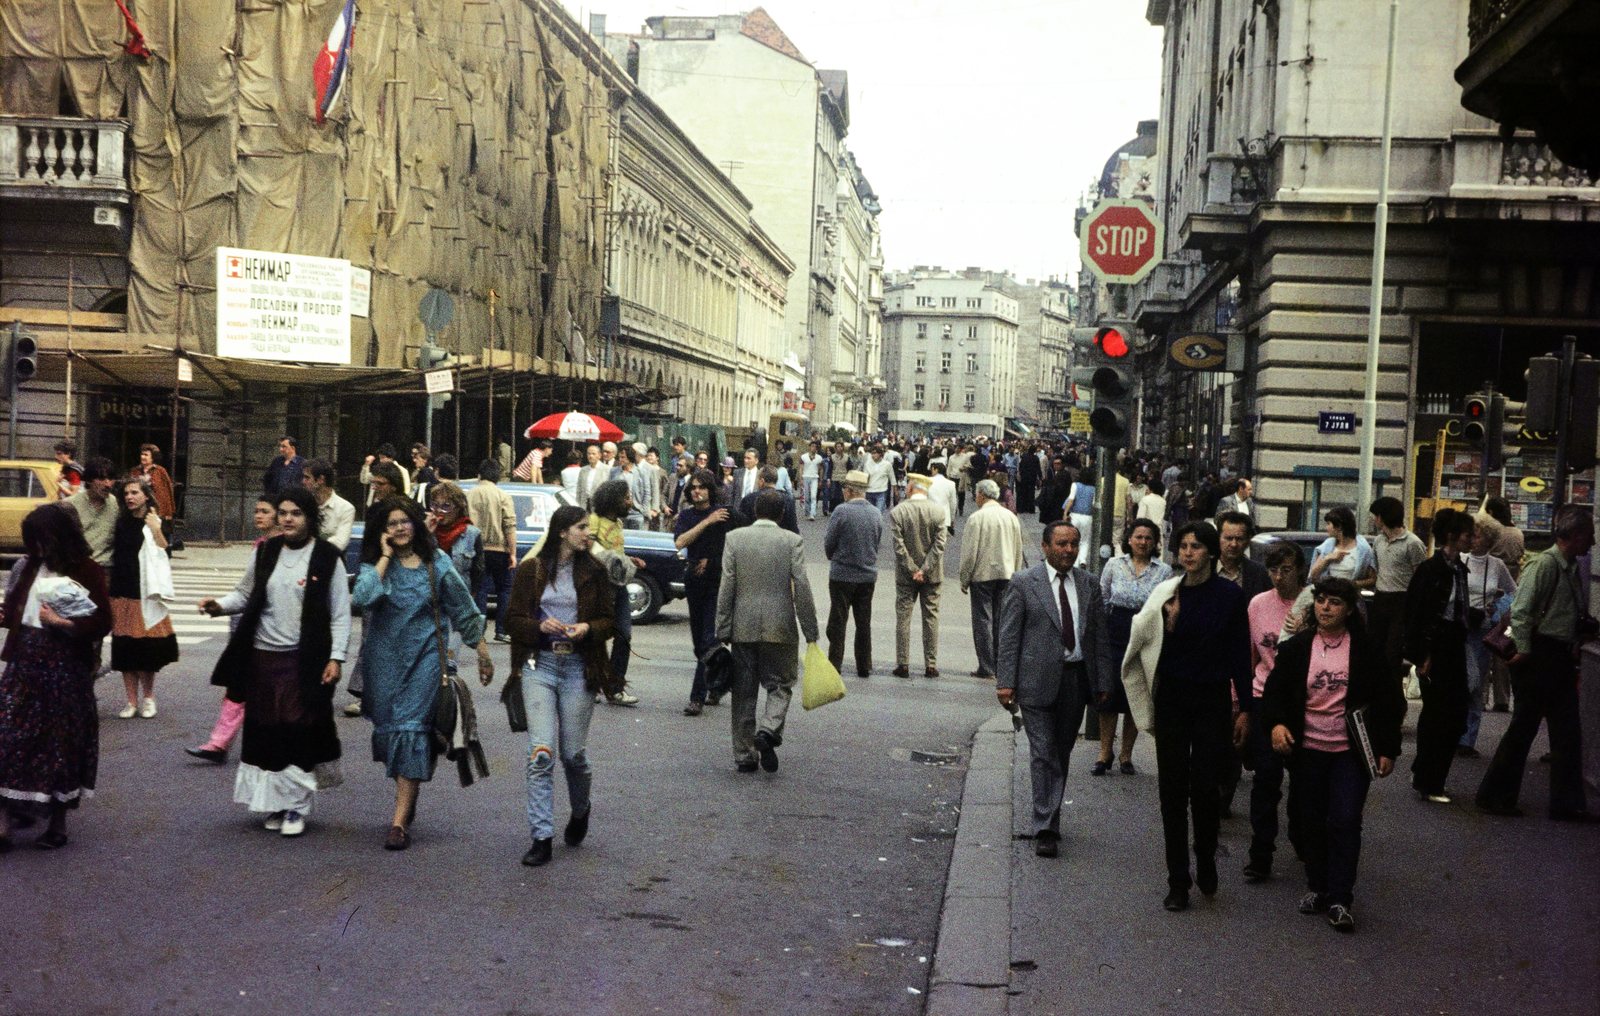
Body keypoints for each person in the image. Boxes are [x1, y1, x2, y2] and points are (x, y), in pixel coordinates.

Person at [199, 487, 350, 838]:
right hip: (262, 658)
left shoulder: (328, 557)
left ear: (310, 518)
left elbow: (341, 614)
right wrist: (218, 605)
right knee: (266, 730)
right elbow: (244, 593)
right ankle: (275, 803)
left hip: (304, 661)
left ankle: (297, 807)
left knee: (298, 729)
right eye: (283, 512)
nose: (287, 519)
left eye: (296, 513)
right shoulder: (265, 551)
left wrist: (336, 657)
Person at [1121, 521, 1253, 912]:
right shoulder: (1168, 593)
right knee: (1172, 792)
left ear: (1211, 552)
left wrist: (1244, 707)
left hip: (1212, 699)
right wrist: (1171, 624)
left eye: (1196, 546)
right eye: (1182, 546)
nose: (1188, 553)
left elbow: (1239, 655)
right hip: (1174, 698)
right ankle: (1177, 880)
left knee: (1205, 789)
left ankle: (1206, 857)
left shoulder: (1230, 595)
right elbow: (1147, 643)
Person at [1262, 576, 1404, 932]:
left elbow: (1390, 702)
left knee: (1344, 820)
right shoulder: (1296, 648)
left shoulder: (1367, 650)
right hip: (1308, 750)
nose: (1325, 607)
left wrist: (1388, 749)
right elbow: (1274, 693)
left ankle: (1340, 898)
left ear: (1351, 610)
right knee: (1311, 820)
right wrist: (1277, 725)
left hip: (1349, 753)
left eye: (1334, 602)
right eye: (1320, 600)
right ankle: (1317, 887)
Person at [351, 496, 491, 851]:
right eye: (391, 524)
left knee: (411, 729)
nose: (399, 529)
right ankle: (407, 798)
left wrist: (483, 651)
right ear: (381, 531)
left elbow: (462, 605)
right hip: (384, 665)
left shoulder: (436, 561)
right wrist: (384, 557)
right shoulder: (375, 564)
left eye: (404, 521)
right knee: (393, 733)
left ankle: (398, 823)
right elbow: (363, 598)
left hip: (427, 661)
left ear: (416, 523)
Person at [503, 505, 617, 867]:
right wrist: (539, 626)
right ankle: (541, 837)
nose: (589, 533)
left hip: (579, 667)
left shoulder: (596, 571)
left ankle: (580, 810)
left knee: (573, 755)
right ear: (563, 532)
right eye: (582, 527)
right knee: (541, 752)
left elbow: (610, 622)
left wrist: (588, 629)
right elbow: (512, 620)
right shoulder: (531, 570)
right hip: (540, 664)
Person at [996, 520, 1114, 858]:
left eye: (1074, 544)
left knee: (1060, 754)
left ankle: (1051, 816)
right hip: (1034, 682)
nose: (1068, 550)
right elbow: (1008, 637)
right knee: (1044, 752)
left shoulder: (1089, 584)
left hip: (1075, 681)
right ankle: (1044, 827)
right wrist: (1005, 682)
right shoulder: (1023, 582)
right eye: (1061, 544)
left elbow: (1098, 638)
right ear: (1046, 546)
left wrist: (1103, 681)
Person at [0, 504, 112, 850]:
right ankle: (4, 824)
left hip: (65, 667)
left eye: (43, 540)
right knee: (8, 738)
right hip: (24, 663)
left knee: (60, 744)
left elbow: (103, 621)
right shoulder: (28, 566)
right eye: (32, 540)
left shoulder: (87, 570)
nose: (37, 548)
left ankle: (58, 822)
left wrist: (63, 624)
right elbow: (14, 610)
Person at [1476, 505, 1598, 822]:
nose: (1593, 544)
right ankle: (1496, 796)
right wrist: (1526, 651)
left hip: (1556, 655)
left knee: (1567, 732)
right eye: (1591, 536)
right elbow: (1521, 611)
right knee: (1524, 729)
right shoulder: (1544, 565)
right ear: (1576, 535)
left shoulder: (1568, 567)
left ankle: (1566, 803)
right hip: (1540, 655)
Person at [715, 489, 819, 774]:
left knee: (743, 692)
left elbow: (728, 585)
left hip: (743, 625)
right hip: (780, 626)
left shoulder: (735, 539)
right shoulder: (792, 541)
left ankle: (745, 756)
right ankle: (769, 728)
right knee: (781, 684)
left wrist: (722, 625)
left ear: (754, 511)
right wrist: (810, 629)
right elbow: (802, 587)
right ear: (782, 514)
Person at [187, 496, 282, 762]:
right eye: (256, 510)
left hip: (277, 631)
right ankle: (219, 744)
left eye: (265, 511)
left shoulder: (289, 548)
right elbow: (244, 591)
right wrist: (219, 606)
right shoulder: (261, 546)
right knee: (238, 683)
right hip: (252, 624)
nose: (258, 515)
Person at [1243, 540, 1308, 882]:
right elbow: (1249, 656)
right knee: (1266, 777)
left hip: (1304, 702)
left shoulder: (1314, 603)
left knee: (1302, 778)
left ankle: (1301, 836)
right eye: (1272, 570)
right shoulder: (1257, 604)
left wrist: (1306, 635)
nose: (1279, 577)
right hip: (1263, 697)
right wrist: (1239, 703)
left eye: (1286, 570)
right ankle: (1261, 852)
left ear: (1300, 570)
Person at [1402, 507, 1475, 804]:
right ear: (1451, 536)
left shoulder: (1459, 568)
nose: (1472, 539)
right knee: (1438, 715)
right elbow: (1416, 614)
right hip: (1438, 647)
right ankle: (1430, 781)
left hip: (1455, 643)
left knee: (1455, 713)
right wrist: (1423, 655)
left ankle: (1425, 770)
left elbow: (1457, 610)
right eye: (1468, 534)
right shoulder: (1431, 570)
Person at [1095, 519, 1171, 774]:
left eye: (1148, 538)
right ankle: (1105, 752)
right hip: (1115, 630)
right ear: (1129, 540)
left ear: (1155, 542)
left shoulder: (1164, 571)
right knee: (1109, 692)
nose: (1143, 542)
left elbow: (1165, 604)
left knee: (1134, 692)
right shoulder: (1114, 565)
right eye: (1138, 537)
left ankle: (1126, 755)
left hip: (1144, 633)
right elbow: (1103, 596)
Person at [109, 476, 177, 718]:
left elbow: (163, 551)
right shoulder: (119, 521)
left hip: (144, 591)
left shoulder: (153, 520)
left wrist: (156, 529)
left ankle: (148, 698)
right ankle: (131, 702)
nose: (129, 497)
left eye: (135, 492)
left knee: (146, 650)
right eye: (126, 493)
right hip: (121, 590)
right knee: (125, 648)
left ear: (146, 495)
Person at [674, 469, 734, 716]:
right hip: (694, 579)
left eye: (702, 487)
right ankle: (718, 685)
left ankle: (697, 697)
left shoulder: (722, 512)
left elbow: (732, 543)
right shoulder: (688, 516)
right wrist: (706, 522)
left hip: (716, 581)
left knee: (708, 639)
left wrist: (714, 560)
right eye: (693, 487)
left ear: (710, 490)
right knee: (700, 643)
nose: (697, 491)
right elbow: (680, 542)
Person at [1460, 515, 1517, 758]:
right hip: (1459, 628)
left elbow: (1515, 592)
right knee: (1460, 683)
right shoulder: (1460, 559)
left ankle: (1467, 739)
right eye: (1470, 534)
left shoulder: (1497, 565)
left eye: (1477, 535)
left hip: (1482, 629)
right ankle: (1453, 733)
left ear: (1489, 540)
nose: (1472, 539)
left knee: (1476, 685)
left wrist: (1499, 608)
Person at [961, 479, 1027, 681]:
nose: (975, 497)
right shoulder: (1010, 517)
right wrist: (1017, 574)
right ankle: (1000, 664)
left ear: (981, 495)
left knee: (983, 620)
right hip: (1007, 574)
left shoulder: (977, 518)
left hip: (982, 574)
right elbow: (1018, 548)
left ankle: (986, 665)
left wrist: (965, 577)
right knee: (1002, 620)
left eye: (976, 494)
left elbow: (970, 553)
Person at [587, 479, 644, 707]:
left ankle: (615, 688)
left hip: (618, 588)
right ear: (613, 499)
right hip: (599, 589)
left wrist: (629, 560)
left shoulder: (618, 522)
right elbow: (591, 549)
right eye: (626, 497)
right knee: (596, 637)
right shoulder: (594, 520)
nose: (630, 502)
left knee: (624, 635)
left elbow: (615, 553)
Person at [823, 470, 881, 679]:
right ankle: (864, 665)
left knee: (838, 622)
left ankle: (835, 663)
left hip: (842, 575)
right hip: (867, 576)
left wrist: (835, 556)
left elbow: (829, 543)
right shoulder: (876, 513)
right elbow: (876, 542)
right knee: (863, 622)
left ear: (848, 490)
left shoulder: (841, 511)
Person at [890, 474, 947, 679]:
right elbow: (939, 545)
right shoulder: (938, 512)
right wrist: (925, 568)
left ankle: (903, 663)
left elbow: (899, 547)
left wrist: (913, 568)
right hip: (932, 576)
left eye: (907, 485)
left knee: (903, 618)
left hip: (905, 576)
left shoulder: (898, 512)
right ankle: (930, 664)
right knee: (931, 618)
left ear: (912, 487)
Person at [1368, 496, 1426, 693]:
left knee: (1392, 656)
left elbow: (1420, 579)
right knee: (1375, 653)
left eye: (1375, 516)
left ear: (1382, 517)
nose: (1374, 520)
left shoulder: (1413, 543)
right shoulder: (1378, 541)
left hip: (1402, 601)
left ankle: (1395, 707)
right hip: (1380, 599)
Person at [426, 481, 482, 674]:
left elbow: (477, 572)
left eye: (446, 506)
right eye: (434, 505)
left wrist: (469, 600)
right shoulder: (425, 532)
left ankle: (446, 700)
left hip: (456, 609)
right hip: (428, 605)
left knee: (448, 665)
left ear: (458, 508)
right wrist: (426, 534)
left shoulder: (471, 534)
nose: (439, 510)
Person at [466, 458, 518, 643]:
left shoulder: (469, 494)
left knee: (479, 589)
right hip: (499, 549)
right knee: (505, 588)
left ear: (479, 475)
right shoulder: (503, 495)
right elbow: (509, 525)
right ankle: (502, 630)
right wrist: (512, 553)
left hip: (475, 548)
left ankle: (479, 631)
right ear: (497, 477)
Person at [63, 456, 118, 565]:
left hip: (105, 569)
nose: (108, 484)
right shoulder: (69, 505)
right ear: (89, 481)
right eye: (102, 479)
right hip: (77, 568)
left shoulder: (116, 505)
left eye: (111, 479)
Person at [1309, 507, 1376, 588]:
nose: (1326, 528)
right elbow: (1313, 577)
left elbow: (1372, 580)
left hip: (1350, 596)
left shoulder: (1363, 550)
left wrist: (1350, 584)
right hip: (1328, 594)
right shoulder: (1327, 546)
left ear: (1339, 526)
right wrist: (1327, 559)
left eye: (1328, 524)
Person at [302, 459, 355, 551]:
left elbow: (340, 542)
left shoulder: (345, 508)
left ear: (320, 480)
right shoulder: (302, 504)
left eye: (307, 478)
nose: (303, 481)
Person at [736, 466, 799, 534]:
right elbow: (793, 529)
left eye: (758, 479)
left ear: (762, 481)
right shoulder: (789, 501)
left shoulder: (748, 499)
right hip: (780, 541)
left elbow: (741, 526)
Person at [128, 444, 177, 521]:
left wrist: (169, 512)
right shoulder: (134, 470)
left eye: (146, 455)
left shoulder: (161, 471)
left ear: (153, 457)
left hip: (155, 509)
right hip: (138, 508)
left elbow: (167, 491)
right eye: (142, 454)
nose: (142, 457)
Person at [1065, 468, 1096, 569]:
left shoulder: (1075, 485)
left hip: (1075, 516)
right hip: (1087, 517)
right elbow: (1093, 504)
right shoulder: (1094, 489)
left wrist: (1065, 513)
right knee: (1085, 540)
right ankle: (1083, 560)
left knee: (1074, 539)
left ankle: (1075, 563)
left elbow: (1071, 499)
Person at [928, 462, 958, 535]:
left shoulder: (927, 481)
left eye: (932, 469)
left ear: (936, 470)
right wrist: (952, 518)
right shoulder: (951, 484)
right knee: (941, 541)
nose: (931, 471)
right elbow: (953, 503)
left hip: (929, 515)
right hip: (944, 516)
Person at [863, 445, 895, 511]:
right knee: (870, 513)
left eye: (875, 453)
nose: (873, 455)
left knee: (878, 513)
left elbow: (892, 478)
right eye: (872, 453)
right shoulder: (868, 464)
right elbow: (865, 477)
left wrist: (896, 491)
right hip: (869, 491)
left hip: (881, 492)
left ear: (880, 454)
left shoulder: (887, 464)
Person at [799, 441, 825, 522]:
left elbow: (821, 469)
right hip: (806, 477)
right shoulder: (803, 457)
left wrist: (821, 480)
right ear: (810, 447)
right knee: (807, 496)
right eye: (812, 446)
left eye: (815, 446)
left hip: (814, 478)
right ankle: (807, 510)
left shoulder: (819, 458)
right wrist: (800, 479)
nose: (813, 448)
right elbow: (801, 468)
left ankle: (812, 513)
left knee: (813, 496)